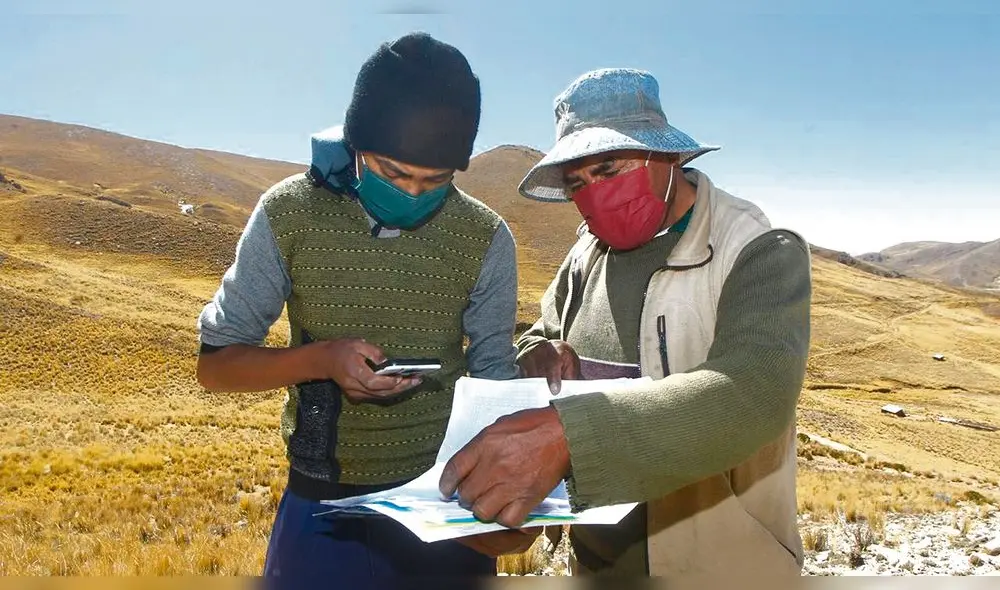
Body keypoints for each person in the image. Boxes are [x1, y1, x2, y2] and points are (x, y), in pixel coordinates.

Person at [438, 67, 812, 582]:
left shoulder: (756, 249)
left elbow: (755, 392)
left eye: (609, 168)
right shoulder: (584, 255)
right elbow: (542, 333)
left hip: (719, 566)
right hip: (596, 563)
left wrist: (570, 436)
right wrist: (536, 353)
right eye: (577, 183)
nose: (594, 193)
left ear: (667, 156)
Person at [195, 32, 539, 582]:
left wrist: (510, 499)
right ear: (355, 145)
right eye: (393, 173)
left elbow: (494, 376)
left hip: (447, 509)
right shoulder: (289, 213)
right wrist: (322, 361)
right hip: (322, 509)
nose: (413, 194)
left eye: (436, 181)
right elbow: (216, 367)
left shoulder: (485, 237)